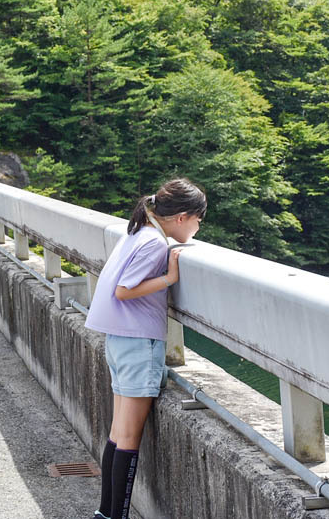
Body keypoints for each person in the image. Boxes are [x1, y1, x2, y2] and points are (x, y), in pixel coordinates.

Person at [85, 178, 207, 519]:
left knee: (117, 431)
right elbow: (124, 290)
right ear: (182, 217)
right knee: (128, 437)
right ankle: (115, 517)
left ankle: (105, 514)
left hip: (120, 339)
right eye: (199, 220)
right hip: (138, 342)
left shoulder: (139, 231)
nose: (198, 227)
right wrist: (169, 279)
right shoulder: (155, 243)